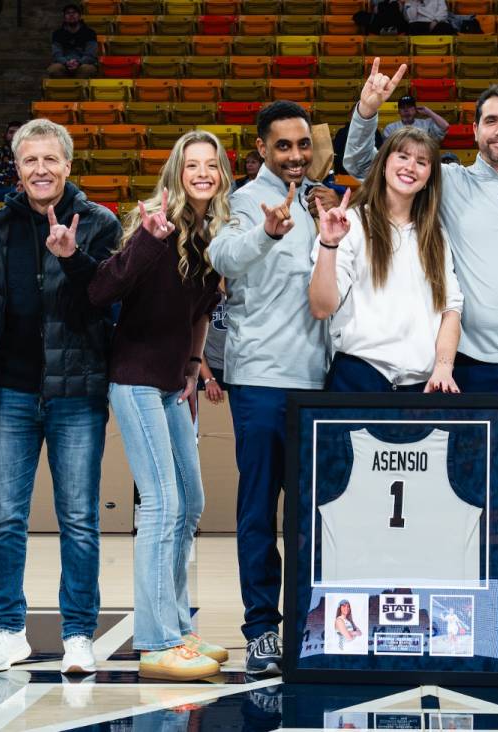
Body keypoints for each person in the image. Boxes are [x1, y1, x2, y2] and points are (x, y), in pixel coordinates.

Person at [345, 61, 498, 668]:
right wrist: (367, 109)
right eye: (491, 120)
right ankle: (466, 612)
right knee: (458, 498)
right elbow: (367, 167)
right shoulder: (446, 182)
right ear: (473, 130)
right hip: (463, 365)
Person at [0, 119, 120, 676]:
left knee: (78, 519)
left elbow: (106, 299)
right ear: (17, 167)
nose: (40, 170)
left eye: (50, 160)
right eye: (29, 160)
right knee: (4, 516)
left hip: (76, 392)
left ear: (68, 165)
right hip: (9, 389)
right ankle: (7, 629)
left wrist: (71, 257)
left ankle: (79, 633)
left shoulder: (99, 223)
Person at [88, 131, 228, 680]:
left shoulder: (212, 234)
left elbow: (201, 311)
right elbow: (102, 292)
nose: (201, 173)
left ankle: (177, 626)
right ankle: (155, 642)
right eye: (191, 164)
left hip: (173, 385)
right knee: (164, 505)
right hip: (135, 380)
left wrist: (194, 367)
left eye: (210, 165)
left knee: (190, 502)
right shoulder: (154, 226)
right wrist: (145, 239)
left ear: (220, 175)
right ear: (176, 171)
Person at [210, 101, 327, 675]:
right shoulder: (242, 202)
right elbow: (223, 255)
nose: (296, 156)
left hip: (317, 384)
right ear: (261, 148)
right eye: (283, 146)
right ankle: (260, 629)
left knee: (308, 516)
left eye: (303, 144)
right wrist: (265, 230)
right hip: (258, 379)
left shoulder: (321, 200)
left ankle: (307, 625)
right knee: (259, 509)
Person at [308, 127, 462, 393]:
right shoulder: (351, 223)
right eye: (402, 156)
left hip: (420, 385)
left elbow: (451, 309)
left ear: (428, 178)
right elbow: (322, 308)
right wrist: (328, 245)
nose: (411, 166)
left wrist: (444, 366)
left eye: (422, 162)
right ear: (383, 165)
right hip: (357, 376)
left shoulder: (437, 236)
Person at [47, 4, 98, 79]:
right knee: (54, 69)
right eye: (68, 13)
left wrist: (79, 62)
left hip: (83, 64)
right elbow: (57, 54)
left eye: (74, 12)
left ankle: (78, 90)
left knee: (87, 69)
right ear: (64, 18)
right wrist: (66, 62)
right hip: (64, 64)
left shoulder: (90, 33)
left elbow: (90, 54)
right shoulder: (57, 34)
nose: (71, 15)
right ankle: (65, 89)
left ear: (79, 16)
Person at [382, 96, 450, 143]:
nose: (406, 109)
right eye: (403, 107)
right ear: (398, 111)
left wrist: (429, 112)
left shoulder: (426, 123)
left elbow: (445, 126)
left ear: (415, 109)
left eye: (409, 107)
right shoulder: (391, 128)